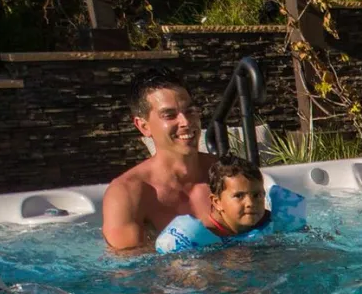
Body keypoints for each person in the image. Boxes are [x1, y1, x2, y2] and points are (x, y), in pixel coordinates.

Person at [102, 68, 214, 252]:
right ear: (144, 126)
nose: (186, 122)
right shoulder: (127, 193)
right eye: (169, 115)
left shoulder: (226, 175)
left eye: (190, 111)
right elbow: (128, 272)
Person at [155, 154, 306, 254]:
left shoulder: (272, 223)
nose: (250, 203)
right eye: (239, 196)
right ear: (217, 202)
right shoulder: (198, 239)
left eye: (257, 195)